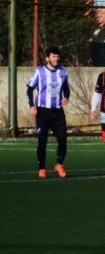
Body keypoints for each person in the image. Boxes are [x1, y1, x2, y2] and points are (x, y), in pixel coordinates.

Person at [27, 46, 71, 179]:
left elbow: (66, 89)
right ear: (47, 58)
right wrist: (31, 105)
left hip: (57, 111)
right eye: (53, 56)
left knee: (63, 139)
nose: (56, 59)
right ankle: (42, 168)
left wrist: (66, 97)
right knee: (42, 141)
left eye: (57, 56)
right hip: (42, 112)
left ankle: (59, 164)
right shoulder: (39, 72)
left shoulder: (63, 72)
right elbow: (29, 89)